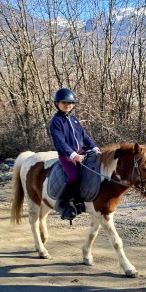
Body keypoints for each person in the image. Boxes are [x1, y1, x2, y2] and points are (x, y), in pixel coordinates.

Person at [49, 87, 100, 217]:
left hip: (81, 151)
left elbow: (84, 136)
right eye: (64, 102)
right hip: (67, 155)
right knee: (73, 177)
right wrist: (74, 155)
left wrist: (94, 148)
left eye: (70, 103)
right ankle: (61, 202)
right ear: (57, 103)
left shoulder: (74, 119)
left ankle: (82, 199)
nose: (68, 105)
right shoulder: (56, 121)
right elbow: (60, 143)